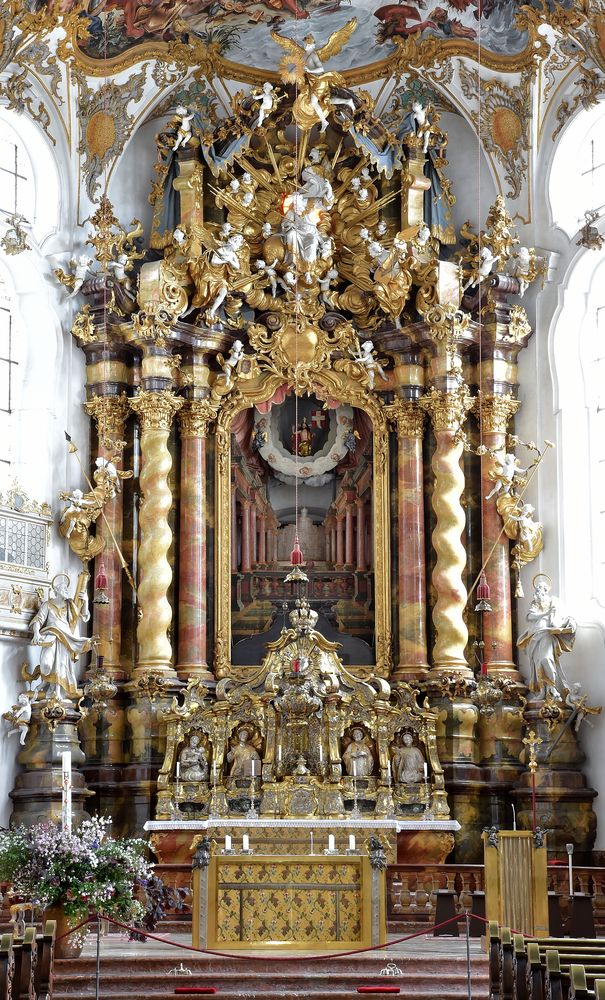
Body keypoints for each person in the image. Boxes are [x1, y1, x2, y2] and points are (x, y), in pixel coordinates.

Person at [29, 573, 94, 700]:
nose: (66, 591)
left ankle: (57, 693)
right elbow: (38, 620)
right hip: (51, 636)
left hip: (66, 639)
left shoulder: (70, 605)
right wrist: (36, 632)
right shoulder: (47, 604)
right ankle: (45, 682)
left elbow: (83, 616)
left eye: (66, 588)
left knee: (61, 665)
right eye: (63, 589)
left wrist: (85, 602)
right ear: (56, 590)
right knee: (46, 664)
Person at [517, 576, 576, 701]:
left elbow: (561, 616)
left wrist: (570, 622)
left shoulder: (553, 601)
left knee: (546, 659)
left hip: (547, 633)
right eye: (537, 588)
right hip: (534, 635)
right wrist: (545, 614)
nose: (538, 591)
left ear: (546, 589)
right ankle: (543, 692)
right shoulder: (535, 602)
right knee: (538, 663)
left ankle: (553, 688)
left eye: (540, 588)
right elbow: (529, 617)